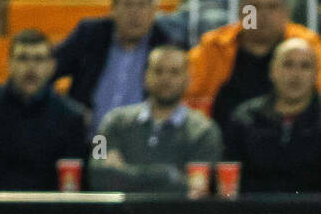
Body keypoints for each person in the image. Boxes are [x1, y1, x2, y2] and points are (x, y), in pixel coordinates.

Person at [0, 30, 89, 192]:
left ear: (51, 66)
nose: (31, 67)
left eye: (39, 59)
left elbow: (75, 185)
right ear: (9, 64)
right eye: (22, 58)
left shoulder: (70, 117)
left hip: (45, 213)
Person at [187, 0, 321, 130]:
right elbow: (186, 95)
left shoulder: (308, 46)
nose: (263, 14)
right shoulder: (214, 46)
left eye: (272, 7)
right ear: (241, 11)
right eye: (253, 7)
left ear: (286, 12)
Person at [222, 36, 321, 192]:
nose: (296, 74)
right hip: (258, 212)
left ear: (316, 75)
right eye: (287, 64)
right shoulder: (245, 117)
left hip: (319, 213)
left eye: (305, 66)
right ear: (272, 71)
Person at [53, 0, 181, 137]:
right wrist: (69, 111)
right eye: (128, 5)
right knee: (99, 158)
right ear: (112, 10)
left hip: (142, 143)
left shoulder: (165, 46)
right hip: (94, 137)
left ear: (153, 12)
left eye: (142, 5)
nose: (135, 13)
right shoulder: (90, 35)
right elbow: (47, 71)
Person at [90, 44, 222, 192]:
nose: (165, 79)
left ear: (187, 80)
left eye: (175, 72)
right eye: (158, 71)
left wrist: (123, 172)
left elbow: (197, 188)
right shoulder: (111, 122)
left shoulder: (205, 131)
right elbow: (96, 172)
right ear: (145, 76)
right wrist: (168, 175)